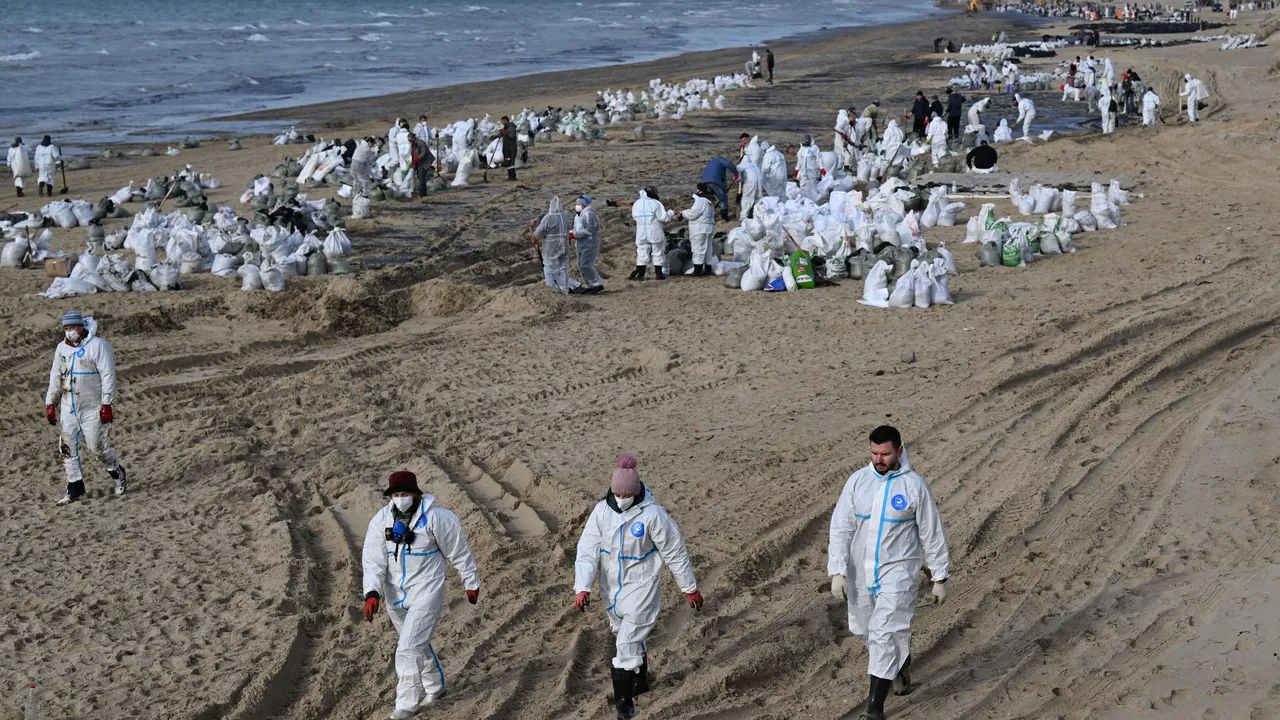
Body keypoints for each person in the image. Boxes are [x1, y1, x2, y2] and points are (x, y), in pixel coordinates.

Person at [827, 426, 949, 720]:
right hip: (861, 573)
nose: (879, 459)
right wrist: (837, 571)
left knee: (884, 633)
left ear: (899, 450)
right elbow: (841, 528)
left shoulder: (914, 486)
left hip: (899, 573)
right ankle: (901, 663)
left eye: (885, 453)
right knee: (870, 633)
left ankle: (874, 710)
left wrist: (939, 577)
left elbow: (932, 533)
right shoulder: (857, 482)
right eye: (874, 453)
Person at [574, 453, 702, 720]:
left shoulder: (653, 516)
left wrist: (689, 588)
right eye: (617, 494)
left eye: (626, 494)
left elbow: (675, 552)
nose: (621, 499)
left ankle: (625, 708)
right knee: (622, 632)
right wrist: (582, 587)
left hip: (642, 588)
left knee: (626, 645)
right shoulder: (601, 512)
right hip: (611, 589)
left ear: (635, 492)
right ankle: (640, 681)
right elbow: (587, 550)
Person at [362, 470, 481, 720]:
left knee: (407, 648)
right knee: (417, 643)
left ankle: (406, 705)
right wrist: (372, 592)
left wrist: (470, 581)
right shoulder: (381, 520)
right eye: (396, 494)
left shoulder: (438, 518)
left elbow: (459, 552)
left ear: (416, 494)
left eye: (405, 494)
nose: (400, 498)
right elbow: (373, 560)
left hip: (427, 591)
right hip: (394, 594)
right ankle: (435, 687)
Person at [44, 311, 127, 505]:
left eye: (73, 327)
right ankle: (75, 488)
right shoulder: (61, 349)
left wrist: (107, 404)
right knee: (66, 448)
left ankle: (117, 471)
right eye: (66, 328)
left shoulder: (98, 346)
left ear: (81, 327)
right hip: (68, 407)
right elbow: (56, 376)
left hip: (92, 407)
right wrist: (51, 403)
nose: (70, 332)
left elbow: (108, 376)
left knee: (96, 448)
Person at [630, 188, 674, 281]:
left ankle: (641, 274)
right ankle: (658, 274)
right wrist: (671, 212)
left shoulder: (636, 203)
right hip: (654, 230)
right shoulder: (655, 203)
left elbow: (634, 217)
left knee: (641, 252)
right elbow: (663, 217)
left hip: (641, 231)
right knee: (658, 252)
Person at [533, 196, 572, 292]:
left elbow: (538, 233)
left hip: (551, 248)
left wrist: (534, 236)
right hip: (564, 247)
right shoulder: (565, 217)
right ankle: (564, 288)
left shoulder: (549, 218)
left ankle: (552, 289)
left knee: (550, 268)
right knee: (563, 267)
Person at [570, 195, 604, 293]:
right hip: (580, 243)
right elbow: (577, 229)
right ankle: (589, 284)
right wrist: (571, 233)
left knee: (586, 265)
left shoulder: (589, 214)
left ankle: (597, 283)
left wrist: (575, 234)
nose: (577, 206)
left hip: (590, 243)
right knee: (581, 265)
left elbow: (590, 230)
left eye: (579, 204)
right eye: (577, 204)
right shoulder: (578, 216)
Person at [699, 156, 738, 221]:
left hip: (704, 182)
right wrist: (736, 174)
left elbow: (722, 179)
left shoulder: (711, 162)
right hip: (714, 182)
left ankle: (706, 215)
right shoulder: (720, 161)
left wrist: (723, 188)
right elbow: (729, 163)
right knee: (723, 199)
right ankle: (724, 217)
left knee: (708, 200)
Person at [795, 134, 822, 201]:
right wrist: (797, 169)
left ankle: (814, 201)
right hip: (803, 171)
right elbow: (800, 160)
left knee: (812, 186)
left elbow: (819, 158)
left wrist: (822, 168)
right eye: (805, 140)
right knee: (803, 186)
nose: (806, 142)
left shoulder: (814, 148)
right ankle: (804, 200)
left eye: (807, 140)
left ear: (810, 140)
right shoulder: (802, 149)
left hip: (812, 171)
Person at [736, 154, 763, 220]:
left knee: (747, 198)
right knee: (758, 198)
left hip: (750, 182)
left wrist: (737, 180)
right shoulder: (754, 165)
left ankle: (743, 217)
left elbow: (740, 177)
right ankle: (759, 215)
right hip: (759, 181)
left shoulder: (741, 166)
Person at [408, 131, 434, 199]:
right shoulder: (412, 144)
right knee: (420, 177)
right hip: (419, 161)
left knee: (421, 176)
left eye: (410, 140)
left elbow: (424, 152)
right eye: (409, 140)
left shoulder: (421, 142)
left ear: (414, 138)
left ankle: (422, 193)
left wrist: (417, 158)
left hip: (426, 161)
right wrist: (413, 162)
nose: (409, 141)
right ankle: (423, 191)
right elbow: (412, 153)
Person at [499, 116, 518, 180]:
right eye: (502, 122)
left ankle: (513, 177)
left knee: (511, 162)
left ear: (507, 120)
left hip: (511, 148)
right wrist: (496, 136)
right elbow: (503, 134)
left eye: (504, 121)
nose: (503, 123)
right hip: (506, 148)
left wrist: (505, 133)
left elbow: (512, 136)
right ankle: (510, 177)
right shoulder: (505, 127)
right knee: (507, 161)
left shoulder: (512, 127)